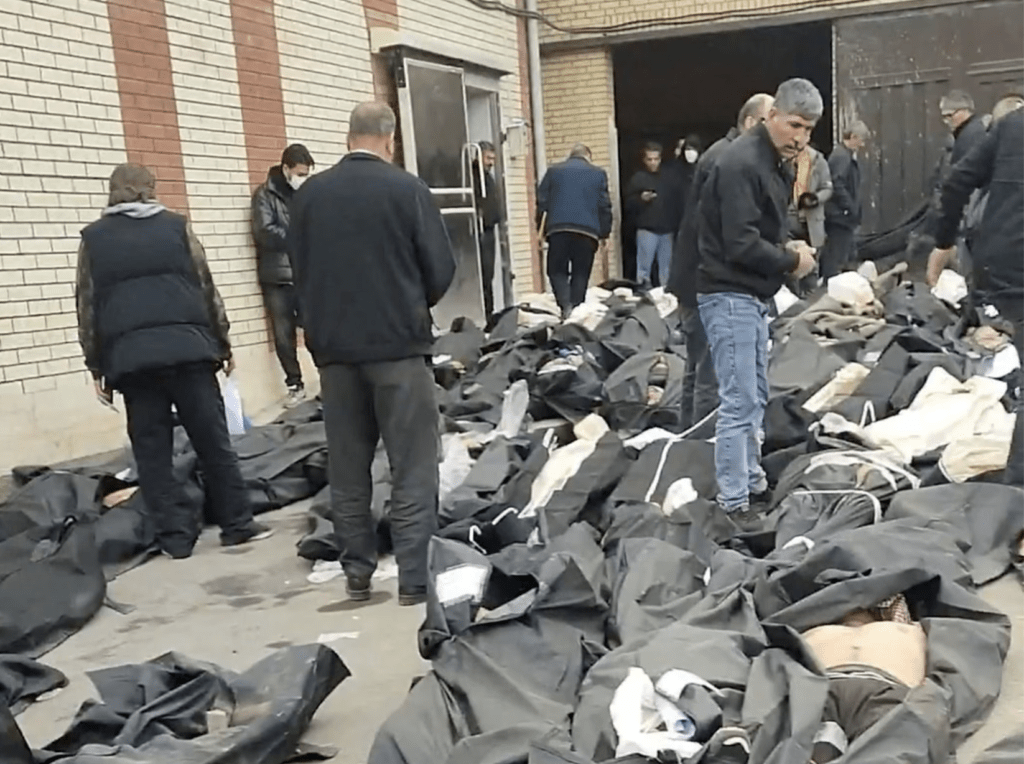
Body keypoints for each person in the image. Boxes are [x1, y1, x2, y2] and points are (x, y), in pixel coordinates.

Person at [288, 102, 455, 605]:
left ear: (348, 138)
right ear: (390, 139)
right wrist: (409, 302)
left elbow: (298, 268)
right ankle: (414, 579)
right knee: (412, 465)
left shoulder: (310, 196)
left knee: (348, 467)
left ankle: (357, 574)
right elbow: (440, 269)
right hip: (398, 347)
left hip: (336, 354)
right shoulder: (408, 190)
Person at [76, 164, 272, 559]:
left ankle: (175, 539)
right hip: (189, 353)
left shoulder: (93, 239)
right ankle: (237, 525)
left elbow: (87, 305)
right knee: (213, 442)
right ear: (150, 189)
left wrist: (96, 366)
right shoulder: (177, 227)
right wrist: (223, 344)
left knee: (152, 454)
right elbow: (205, 287)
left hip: (133, 362)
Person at [696, 79, 820, 522]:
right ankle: (734, 503)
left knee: (755, 395)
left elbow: (761, 228)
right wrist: (791, 260)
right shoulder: (741, 163)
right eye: (794, 125)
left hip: (747, 294)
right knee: (739, 400)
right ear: (771, 116)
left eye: (808, 129)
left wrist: (789, 247)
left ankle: (751, 483)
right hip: (728, 293)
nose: (801, 137)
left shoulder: (771, 161)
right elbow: (740, 243)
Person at [927, 106, 1023, 486]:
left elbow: (956, 182)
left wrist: (944, 241)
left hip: (1001, 264)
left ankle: (1015, 489)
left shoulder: (1011, 126)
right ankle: (1016, 490)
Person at [668, 93, 774, 432]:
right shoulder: (729, 161)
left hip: (692, 276)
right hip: (706, 280)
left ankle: (687, 436)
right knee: (712, 372)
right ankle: (703, 443)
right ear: (750, 122)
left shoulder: (720, 154)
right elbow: (724, 233)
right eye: (768, 122)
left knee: (697, 365)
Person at [802, 602, 926, 762]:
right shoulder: (810, 631)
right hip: (818, 690)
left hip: (884, 689)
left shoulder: (912, 630)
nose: (856, 608)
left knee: (888, 754)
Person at [251, 143, 314, 408]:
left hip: (306, 272)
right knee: (283, 334)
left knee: (316, 327)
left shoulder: (308, 194)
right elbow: (265, 231)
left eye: (307, 174)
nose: (303, 179)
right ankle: (295, 384)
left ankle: (329, 378)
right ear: (286, 168)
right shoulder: (265, 195)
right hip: (277, 275)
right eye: (300, 173)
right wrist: (297, 238)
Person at [537, 143, 613, 317]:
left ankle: (565, 306)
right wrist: (605, 234)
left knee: (556, 270)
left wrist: (540, 229)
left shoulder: (553, 171)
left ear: (570, 155)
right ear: (588, 156)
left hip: (558, 230)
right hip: (587, 233)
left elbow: (542, 202)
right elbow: (604, 206)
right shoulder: (598, 173)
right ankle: (576, 308)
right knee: (581, 272)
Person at [822, 121, 870, 280]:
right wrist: (849, 207)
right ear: (853, 137)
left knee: (842, 253)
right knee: (837, 255)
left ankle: (835, 282)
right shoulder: (842, 156)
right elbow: (837, 183)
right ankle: (831, 284)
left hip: (841, 214)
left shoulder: (843, 155)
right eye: (861, 140)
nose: (862, 145)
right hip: (839, 215)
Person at [625, 142, 678, 287]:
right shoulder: (638, 178)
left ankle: (666, 296)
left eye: (656, 159)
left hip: (667, 230)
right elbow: (628, 204)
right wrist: (641, 199)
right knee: (644, 270)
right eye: (650, 159)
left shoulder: (668, 177)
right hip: (646, 229)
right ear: (644, 160)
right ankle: (644, 293)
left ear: (660, 159)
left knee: (666, 270)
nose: (653, 162)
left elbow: (676, 201)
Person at [787, 143, 833, 292]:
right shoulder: (784, 158)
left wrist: (815, 199)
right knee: (790, 261)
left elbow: (828, 187)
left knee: (812, 262)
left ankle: (810, 296)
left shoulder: (817, 160)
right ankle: (793, 296)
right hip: (789, 218)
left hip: (812, 220)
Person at [472, 140, 505, 320]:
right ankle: (485, 312)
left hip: (488, 227)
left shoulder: (486, 177)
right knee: (484, 273)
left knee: (488, 273)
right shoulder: (474, 176)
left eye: (493, 159)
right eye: (488, 158)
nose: (491, 162)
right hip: (480, 229)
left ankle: (489, 311)